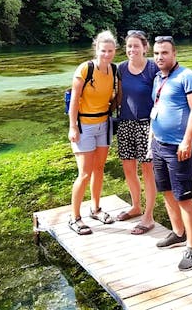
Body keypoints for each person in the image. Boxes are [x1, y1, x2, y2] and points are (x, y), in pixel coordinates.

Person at [150, 35, 192, 271]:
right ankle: (178, 233)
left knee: (184, 197)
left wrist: (187, 141)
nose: (160, 57)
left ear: (175, 54)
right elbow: (158, 107)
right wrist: (152, 137)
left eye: (164, 53)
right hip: (158, 144)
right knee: (167, 192)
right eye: (157, 53)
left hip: (179, 147)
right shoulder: (158, 78)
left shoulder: (188, 77)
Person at [67, 30, 119, 235]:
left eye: (110, 51)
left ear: (115, 51)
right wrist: (72, 126)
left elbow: (113, 98)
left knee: (99, 169)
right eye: (103, 50)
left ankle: (95, 209)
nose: (107, 54)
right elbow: (74, 99)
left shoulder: (114, 71)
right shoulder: (85, 69)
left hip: (104, 124)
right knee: (85, 173)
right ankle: (74, 218)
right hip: (84, 126)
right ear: (96, 49)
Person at [115, 30, 159, 235]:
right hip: (125, 123)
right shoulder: (121, 68)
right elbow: (119, 96)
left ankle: (148, 216)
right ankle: (135, 206)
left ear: (145, 47)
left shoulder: (153, 68)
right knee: (128, 168)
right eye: (129, 46)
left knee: (148, 171)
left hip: (147, 125)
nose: (132, 50)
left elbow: (161, 95)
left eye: (136, 46)